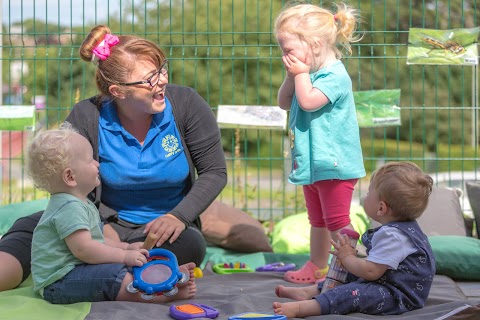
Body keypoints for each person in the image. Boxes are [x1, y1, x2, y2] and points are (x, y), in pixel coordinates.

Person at [0, 24, 227, 292]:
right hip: (96, 222)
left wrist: (179, 216)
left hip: (161, 230)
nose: (162, 80)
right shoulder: (86, 115)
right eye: (149, 78)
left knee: (190, 244)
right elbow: (66, 178)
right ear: (118, 91)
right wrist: (100, 224)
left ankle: (101, 270)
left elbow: (214, 172)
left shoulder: (186, 103)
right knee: (34, 227)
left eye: (161, 69)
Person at [27, 124, 196, 303]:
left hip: (73, 272)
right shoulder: (69, 207)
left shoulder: (79, 203)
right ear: (70, 177)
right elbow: (85, 249)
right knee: (113, 274)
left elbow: (95, 240)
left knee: (120, 264)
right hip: (59, 282)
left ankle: (163, 275)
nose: (97, 163)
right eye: (90, 160)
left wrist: (125, 248)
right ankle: (154, 294)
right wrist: (124, 256)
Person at [274, 2, 366, 284]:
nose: (284, 56)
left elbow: (309, 102)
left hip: (334, 164)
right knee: (317, 220)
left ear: (314, 44)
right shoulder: (306, 75)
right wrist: (293, 76)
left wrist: (300, 75)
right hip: (313, 163)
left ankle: (352, 267)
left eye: (288, 49)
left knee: (338, 221)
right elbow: (284, 102)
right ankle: (317, 265)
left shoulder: (335, 75)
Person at [273, 161, 436, 318]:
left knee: (351, 294)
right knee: (349, 275)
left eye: (369, 193)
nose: (366, 196)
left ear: (381, 208)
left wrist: (347, 257)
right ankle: (309, 292)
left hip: (398, 296)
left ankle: (302, 308)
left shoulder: (393, 236)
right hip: (389, 284)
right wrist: (351, 262)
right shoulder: (404, 230)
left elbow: (371, 272)